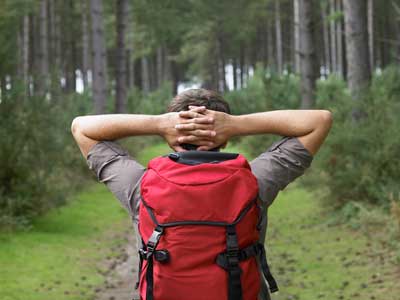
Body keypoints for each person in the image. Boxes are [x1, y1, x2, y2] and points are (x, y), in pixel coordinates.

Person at [71, 89, 332, 299]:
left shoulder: (141, 186)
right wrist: (237, 125)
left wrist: (159, 124)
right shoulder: (255, 182)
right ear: (225, 138)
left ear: (171, 138)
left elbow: (81, 127)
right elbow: (319, 121)